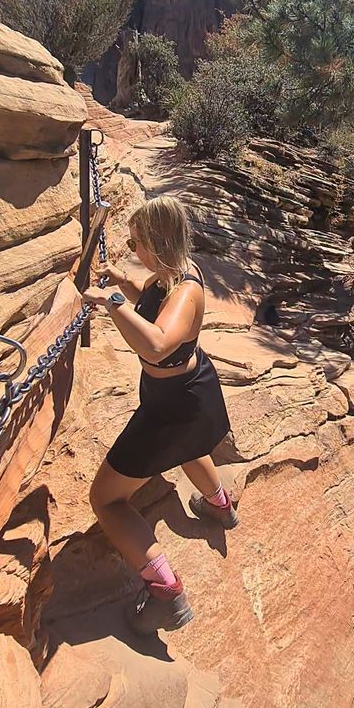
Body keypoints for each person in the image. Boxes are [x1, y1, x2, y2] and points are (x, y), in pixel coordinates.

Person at [83, 195, 237, 636]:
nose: (132, 250)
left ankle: (165, 594)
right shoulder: (178, 271)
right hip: (187, 394)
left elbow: (154, 343)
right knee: (189, 449)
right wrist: (126, 283)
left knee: (107, 499)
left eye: (135, 244)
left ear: (157, 243)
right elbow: (155, 306)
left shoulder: (187, 291)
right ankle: (219, 507)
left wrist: (113, 300)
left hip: (171, 407)